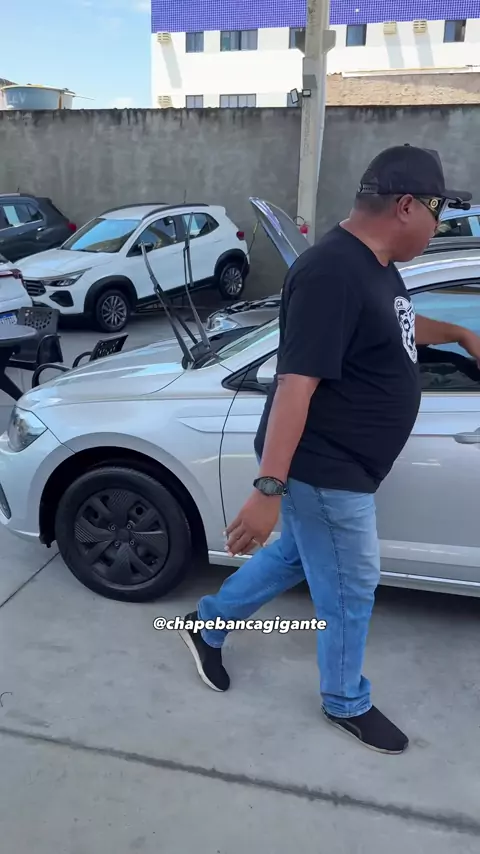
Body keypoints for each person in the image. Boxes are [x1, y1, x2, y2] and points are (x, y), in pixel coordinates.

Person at [179, 144, 479, 755]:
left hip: (340, 463)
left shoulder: (376, 265)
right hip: (324, 465)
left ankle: (206, 624)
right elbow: (296, 385)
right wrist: (269, 487)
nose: (439, 225)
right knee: (349, 586)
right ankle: (345, 700)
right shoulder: (331, 271)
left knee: (297, 555)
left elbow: (393, 324)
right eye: (438, 212)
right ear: (406, 205)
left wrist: (458, 333)